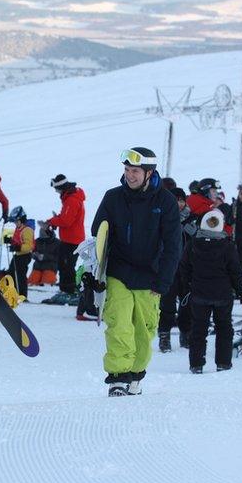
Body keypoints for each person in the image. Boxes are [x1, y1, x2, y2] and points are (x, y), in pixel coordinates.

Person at [91, 147, 180, 396]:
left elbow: (174, 245)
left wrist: (164, 281)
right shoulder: (113, 197)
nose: (130, 175)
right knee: (119, 324)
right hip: (119, 271)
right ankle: (118, 376)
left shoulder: (166, 202)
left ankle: (135, 375)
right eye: (127, 170)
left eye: (135, 171)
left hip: (150, 277)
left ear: (149, 173)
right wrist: (95, 271)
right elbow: (99, 233)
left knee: (144, 330)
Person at [179, 210, 242, 373]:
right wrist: (239, 290)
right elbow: (235, 271)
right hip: (222, 295)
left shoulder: (192, 244)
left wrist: (187, 287)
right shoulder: (228, 246)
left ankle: (196, 364)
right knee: (224, 328)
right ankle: (223, 363)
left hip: (199, 294)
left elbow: (184, 268)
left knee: (198, 329)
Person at [158, 187, 196, 351]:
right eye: (175, 200)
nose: (178, 204)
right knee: (167, 303)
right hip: (168, 267)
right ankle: (164, 335)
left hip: (187, 268)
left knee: (187, 302)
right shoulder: (162, 218)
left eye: (181, 200)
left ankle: (186, 332)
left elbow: (198, 241)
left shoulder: (192, 219)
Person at [44, 174, 86, 302]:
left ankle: (69, 291)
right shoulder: (69, 197)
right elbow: (66, 218)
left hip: (72, 240)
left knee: (67, 266)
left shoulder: (72, 200)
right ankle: (66, 289)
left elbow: (66, 221)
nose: (56, 191)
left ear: (61, 187)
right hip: (69, 238)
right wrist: (56, 220)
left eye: (57, 188)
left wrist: (51, 221)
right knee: (64, 264)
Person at [5, 206, 34, 301]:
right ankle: (12, 292)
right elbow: (16, 241)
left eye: (16, 221)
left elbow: (28, 246)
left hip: (24, 256)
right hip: (17, 255)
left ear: (21, 220)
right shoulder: (18, 229)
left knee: (20, 275)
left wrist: (17, 247)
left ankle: (22, 295)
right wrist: (10, 241)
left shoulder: (27, 230)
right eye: (14, 221)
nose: (15, 223)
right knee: (11, 273)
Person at [28, 222, 59, 287]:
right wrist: (34, 255)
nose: (44, 240)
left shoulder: (57, 242)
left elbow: (58, 257)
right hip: (37, 267)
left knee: (47, 283)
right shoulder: (37, 241)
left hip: (50, 268)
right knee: (31, 282)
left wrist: (44, 257)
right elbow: (32, 252)